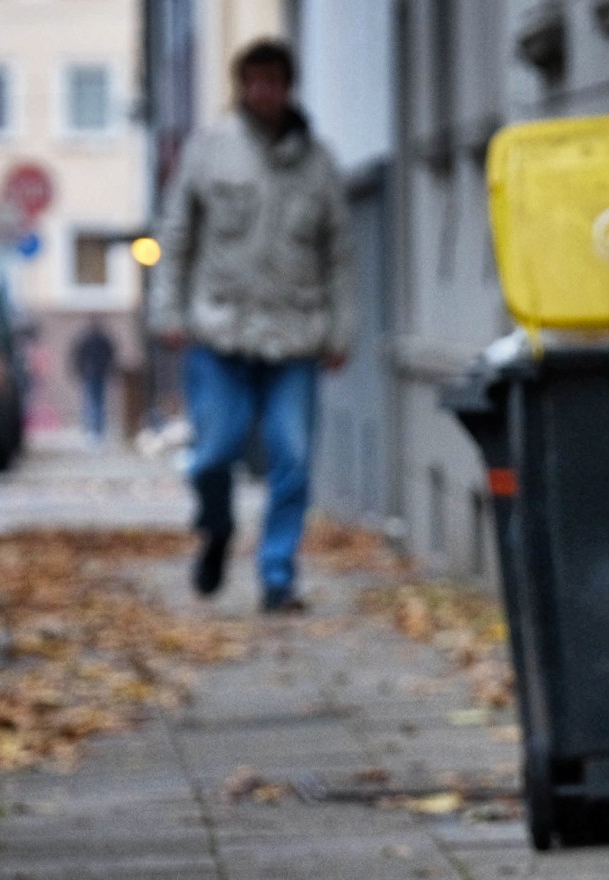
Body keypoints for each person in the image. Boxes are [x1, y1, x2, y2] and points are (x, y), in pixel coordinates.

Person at [149, 37, 351, 612]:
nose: (262, 92)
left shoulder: (319, 163)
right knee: (213, 452)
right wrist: (167, 309)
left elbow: (340, 254)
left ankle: (278, 576)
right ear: (241, 88)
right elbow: (177, 233)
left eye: (273, 81)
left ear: (288, 88)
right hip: (220, 332)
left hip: (295, 334)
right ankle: (216, 528)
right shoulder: (209, 150)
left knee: (292, 456)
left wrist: (342, 331)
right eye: (252, 81)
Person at [70, 320, 116, 444]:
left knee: (91, 403)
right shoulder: (102, 340)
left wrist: (78, 371)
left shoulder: (86, 340)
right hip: (97, 374)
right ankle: (96, 431)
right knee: (97, 403)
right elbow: (111, 355)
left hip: (90, 374)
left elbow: (77, 356)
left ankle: (92, 430)